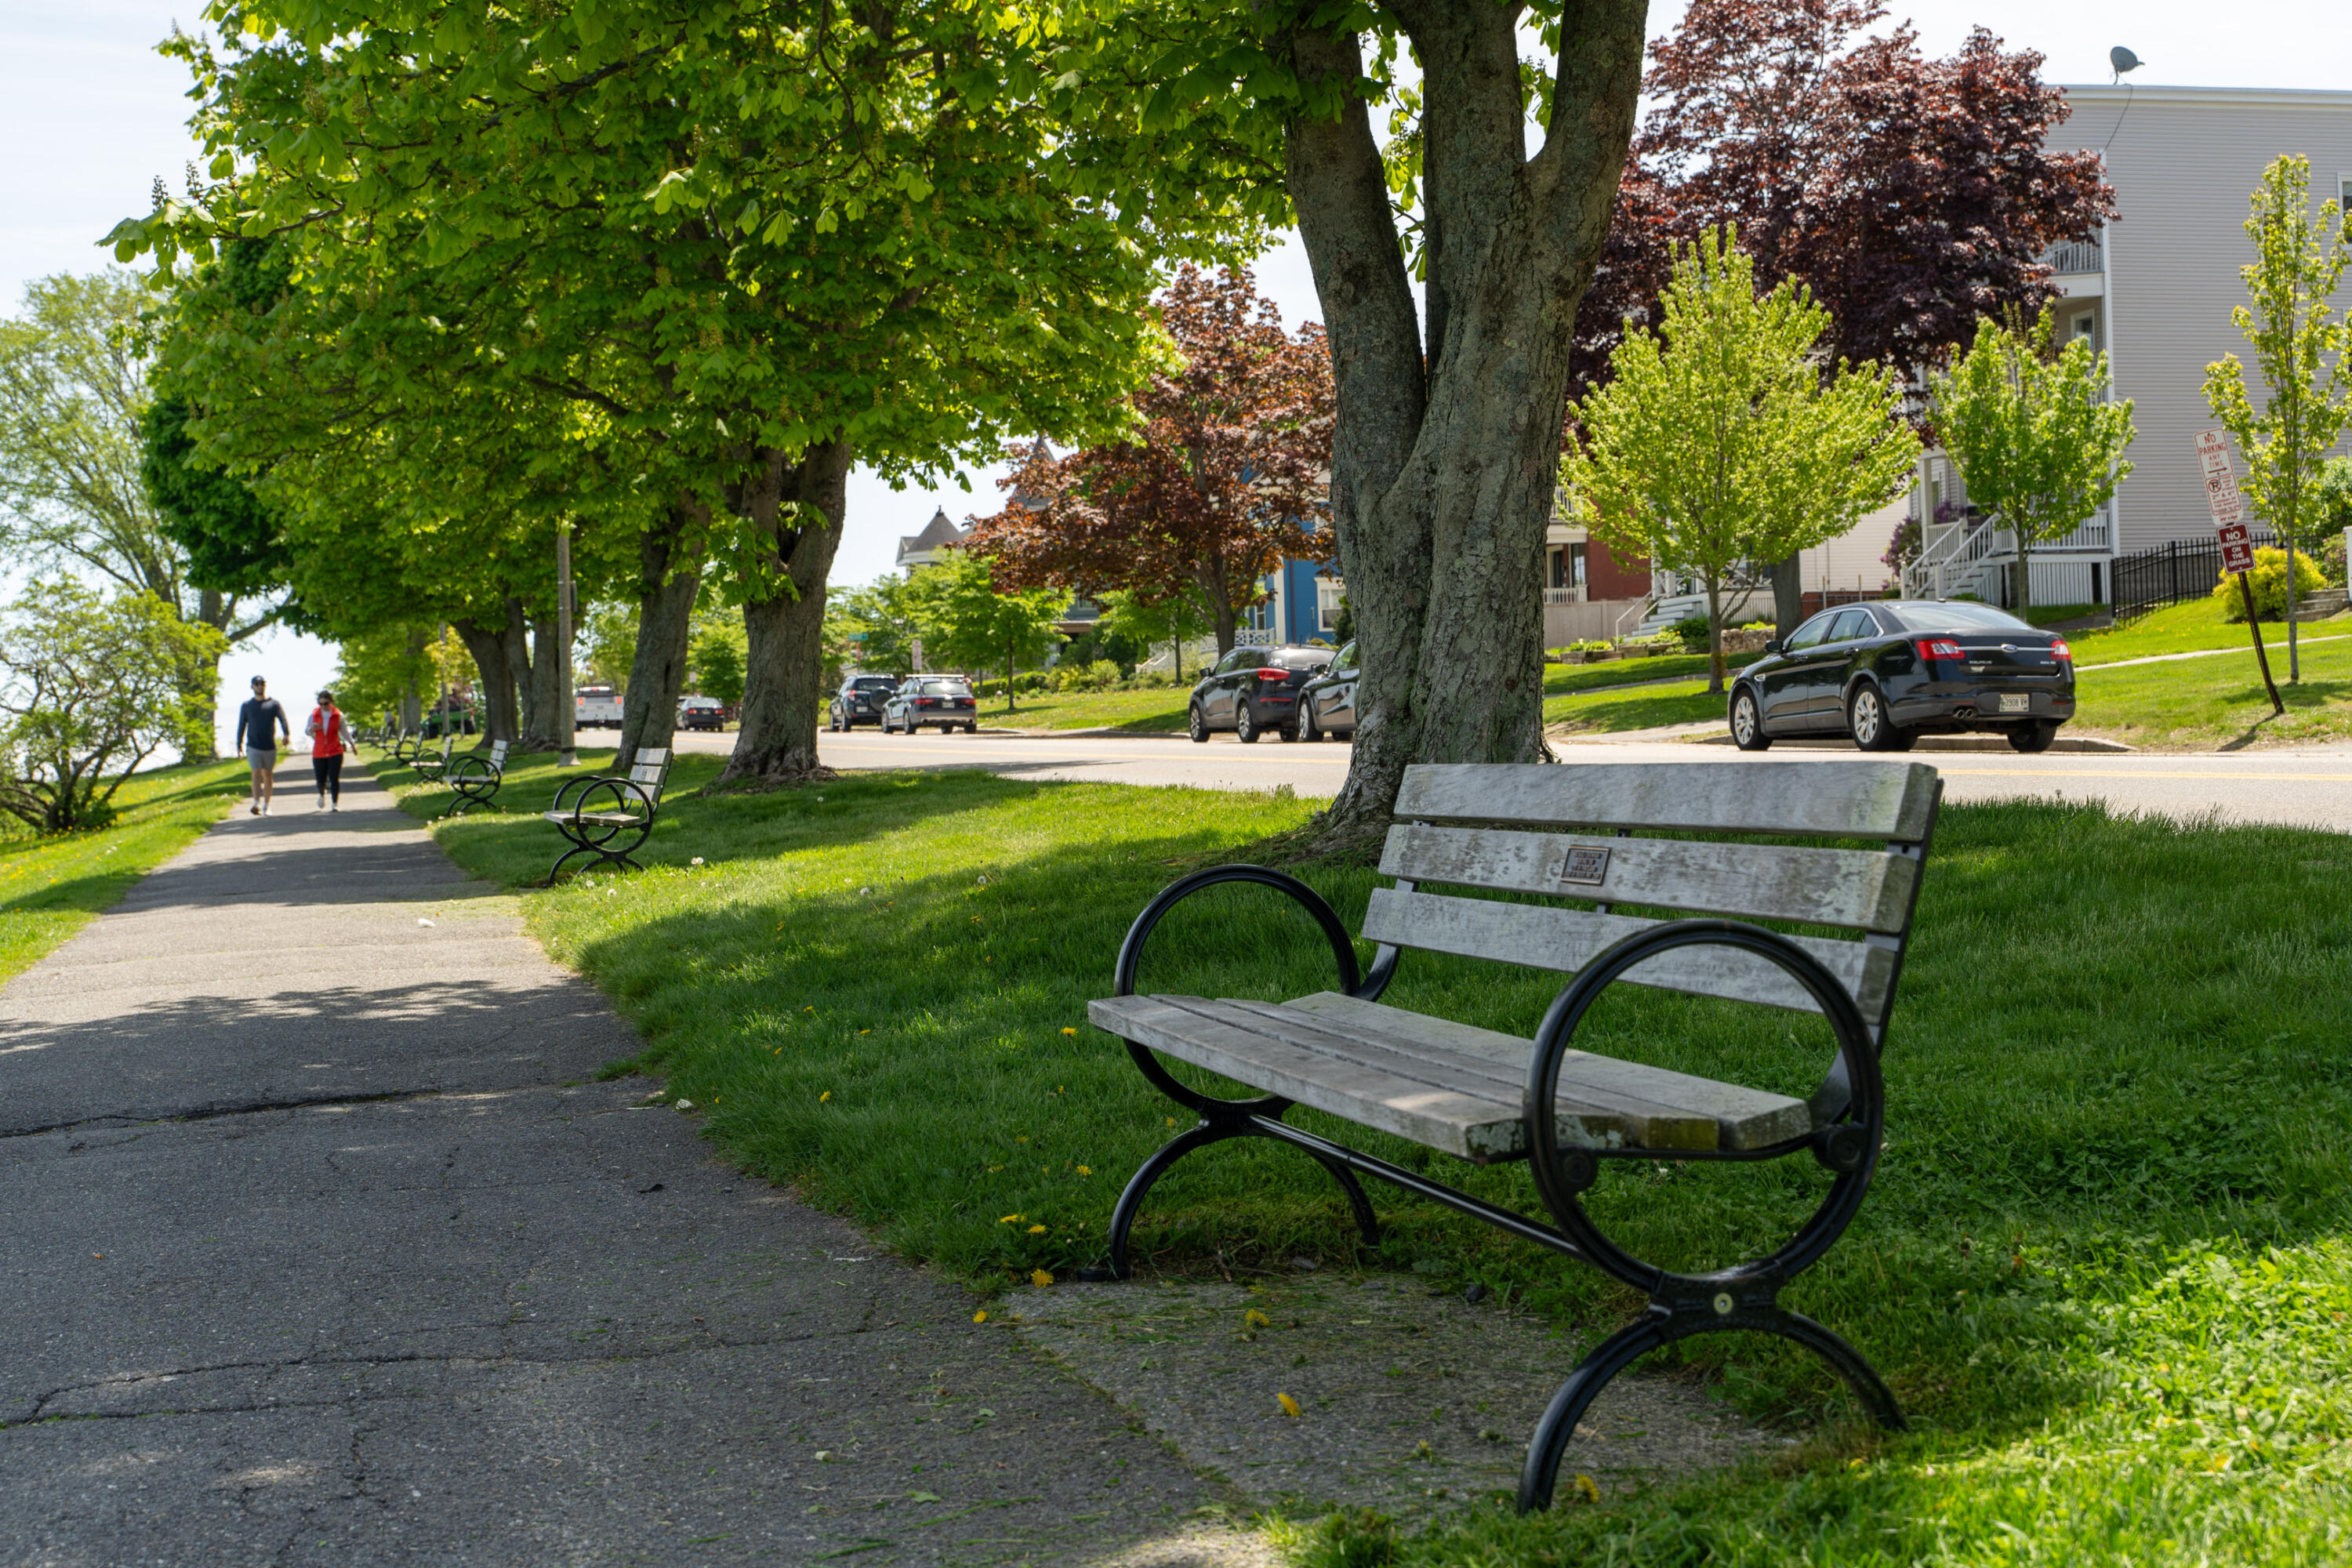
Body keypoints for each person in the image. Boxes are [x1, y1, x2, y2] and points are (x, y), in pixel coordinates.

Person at [234, 676, 291, 816]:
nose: (260, 686)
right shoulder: (247, 706)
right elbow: (242, 725)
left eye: (262, 684)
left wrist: (286, 734)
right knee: (256, 773)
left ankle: (267, 805)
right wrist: (239, 745)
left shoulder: (273, 704)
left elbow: (283, 719)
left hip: (269, 746)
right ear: (252, 687)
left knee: (268, 775)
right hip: (253, 745)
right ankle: (256, 803)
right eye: (257, 684)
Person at [306, 688, 350, 811]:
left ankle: (335, 803)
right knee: (320, 779)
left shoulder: (338, 715)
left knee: (334, 777)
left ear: (331, 702)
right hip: (319, 751)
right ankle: (321, 793)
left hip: (335, 750)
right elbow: (307, 731)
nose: (323, 706)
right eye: (320, 704)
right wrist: (312, 729)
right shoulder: (314, 715)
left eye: (325, 703)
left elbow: (344, 732)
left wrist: (352, 743)